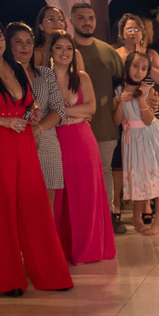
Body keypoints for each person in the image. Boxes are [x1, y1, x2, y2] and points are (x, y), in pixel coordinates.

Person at [0, 16, 72, 296]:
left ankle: (49, 273)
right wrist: (2, 121)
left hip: (21, 139)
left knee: (35, 207)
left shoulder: (16, 67)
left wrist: (29, 114)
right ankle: (9, 280)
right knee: (1, 211)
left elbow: (28, 103)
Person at [47, 30, 114, 263]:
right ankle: (60, 249)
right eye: (59, 48)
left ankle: (88, 249)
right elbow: (43, 113)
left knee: (86, 194)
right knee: (60, 196)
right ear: (51, 52)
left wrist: (60, 112)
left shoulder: (82, 77)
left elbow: (91, 109)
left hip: (82, 140)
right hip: (55, 141)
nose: (64, 53)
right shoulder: (43, 77)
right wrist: (71, 113)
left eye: (68, 48)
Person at [70, 2, 127, 235]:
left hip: (104, 126)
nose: (87, 22)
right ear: (72, 20)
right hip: (71, 127)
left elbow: (120, 85)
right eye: (81, 17)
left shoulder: (108, 51)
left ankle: (107, 218)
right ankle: (80, 224)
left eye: (91, 18)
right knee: (76, 176)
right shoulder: (64, 50)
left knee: (103, 173)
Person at [115, 51, 159, 235]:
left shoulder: (148, 89)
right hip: (132, 139)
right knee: (138, 179)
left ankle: (158, 222)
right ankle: (136, 218)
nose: (139, 71)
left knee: (157, 178)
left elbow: (147, 119)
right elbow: (116, 121)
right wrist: (120, 103)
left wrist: (141, 99)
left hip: (150, 136)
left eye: (143, 68)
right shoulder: (119, 90)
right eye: (135, 66)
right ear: (127, 66)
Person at [8, 21, 64, 207]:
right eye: (18, 42)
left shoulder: (46, 74)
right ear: (8, 45)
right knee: (22, 204)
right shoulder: (3, 78)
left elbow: (59, 110)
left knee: (47, 207)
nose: (25, 47)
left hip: (46, 142)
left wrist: (37, 129)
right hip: (15, 141)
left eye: (28, 42)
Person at [115, 13, 159, 86]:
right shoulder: (116, 54)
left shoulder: (150, 54)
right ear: (122, 33)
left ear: (142, 33)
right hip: (123, 95)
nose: (133, 33)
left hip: (147, 96)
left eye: (137, 29)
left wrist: (144, 63)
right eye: (129, 29)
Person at [33, 5, 70, 69]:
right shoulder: (37, 54)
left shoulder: (74, 54)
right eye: (50, 20)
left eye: (60, 20)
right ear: (41, 26)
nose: (56, 23)